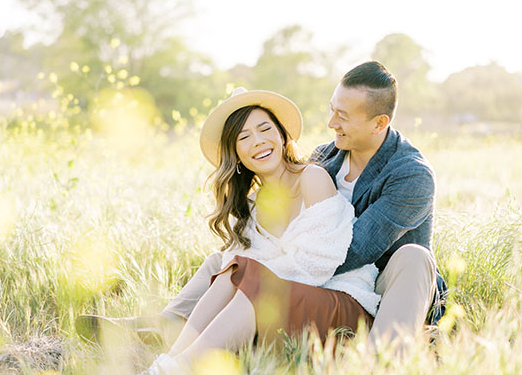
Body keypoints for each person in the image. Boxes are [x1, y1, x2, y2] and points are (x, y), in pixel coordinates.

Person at [77, 61, 446, 356]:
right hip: (319, 267)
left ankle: (382, 362)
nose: (332, 122)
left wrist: (262, 274)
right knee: (225, 261)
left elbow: (353, 250)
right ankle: (165, 326)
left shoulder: (410, 175)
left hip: (378, 281)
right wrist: (247, 259)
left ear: (380, 123)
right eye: (332, 110)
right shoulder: (327, 154)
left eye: (343, 116)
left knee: (414, 256)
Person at [136, 87, 381, 375]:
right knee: (233, 269)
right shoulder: (253, 206)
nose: (258, 141)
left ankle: (175, 372)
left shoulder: (311, 179)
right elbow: (240, 276)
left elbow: (318, 264)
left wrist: (256, 275)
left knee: (249, 273)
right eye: (244, 137)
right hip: (284, 307)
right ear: (236, 154)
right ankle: (166, 366)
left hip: (341, 308)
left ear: (281, 136)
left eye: (265, 129)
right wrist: (248, 275)